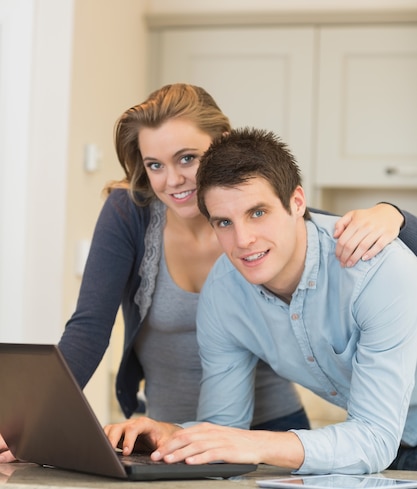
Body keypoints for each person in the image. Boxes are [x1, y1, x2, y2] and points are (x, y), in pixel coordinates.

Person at [0, 85, 414, 464]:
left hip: (303, 427)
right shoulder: (216, 280)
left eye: (187, 158)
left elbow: (326, 237)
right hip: (221, 431)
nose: (174, 179)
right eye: (155, 164)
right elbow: (90, 329)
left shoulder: (344, 252)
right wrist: (24, 424)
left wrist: (394, 214)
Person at [104, 127, 417, 475]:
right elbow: (224, 426)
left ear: (297, 202)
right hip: (391, 451)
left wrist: (255, 443)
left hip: (379, 444)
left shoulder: (377, 270)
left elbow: (374, 438)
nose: (243, 240)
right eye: (224, 222)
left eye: (257, 213)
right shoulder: (223, 293)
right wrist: (169, 434)